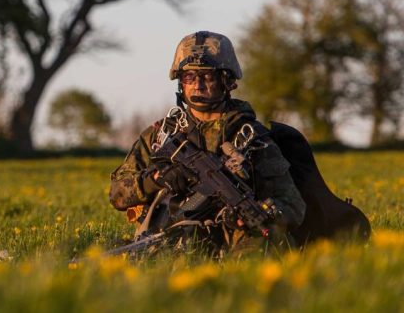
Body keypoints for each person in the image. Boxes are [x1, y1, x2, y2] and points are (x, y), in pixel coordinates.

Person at [109, 31, 306, 257]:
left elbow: (293, 206)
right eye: (189, 77)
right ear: (180, 82)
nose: (198, 86)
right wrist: (156, 179)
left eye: (208, 77)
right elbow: (117, 195)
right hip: (169, 239)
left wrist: (257, 215)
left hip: (233, 241)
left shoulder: (254, 139)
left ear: (227, 81)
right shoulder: (159, 136)